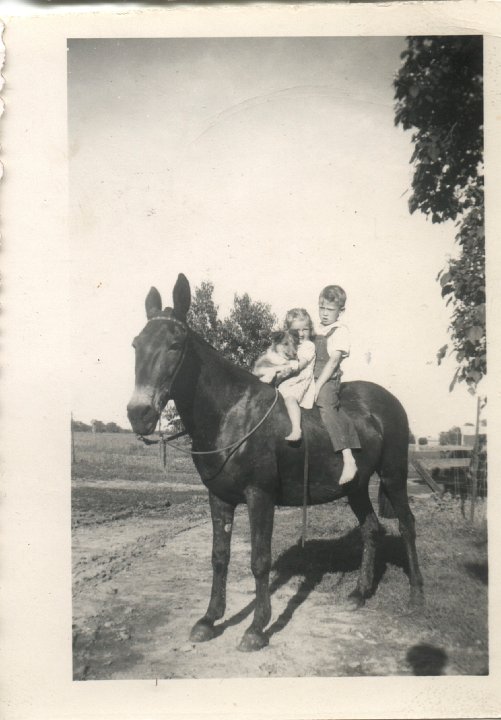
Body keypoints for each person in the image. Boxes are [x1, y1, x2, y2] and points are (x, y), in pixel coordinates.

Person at [314, 285, 361, 484]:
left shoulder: (340, 332)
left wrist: (317, 386)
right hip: (309, 377)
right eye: (321, 308)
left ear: (340, 311)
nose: (324, 313)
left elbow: (333, 362)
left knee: (326, 405)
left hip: (328, 379)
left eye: (330, 310)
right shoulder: (316, 330)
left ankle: (348, 458)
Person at [253, 309, 316, 442]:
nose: (300, 333)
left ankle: (296, 429)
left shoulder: (309, 345)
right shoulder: (295, 344)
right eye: (296, 330)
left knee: (290, 399)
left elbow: (299, 365)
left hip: (299, 381)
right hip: (288, 381)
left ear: (310, 329)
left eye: (305, 329)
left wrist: (284, 368)